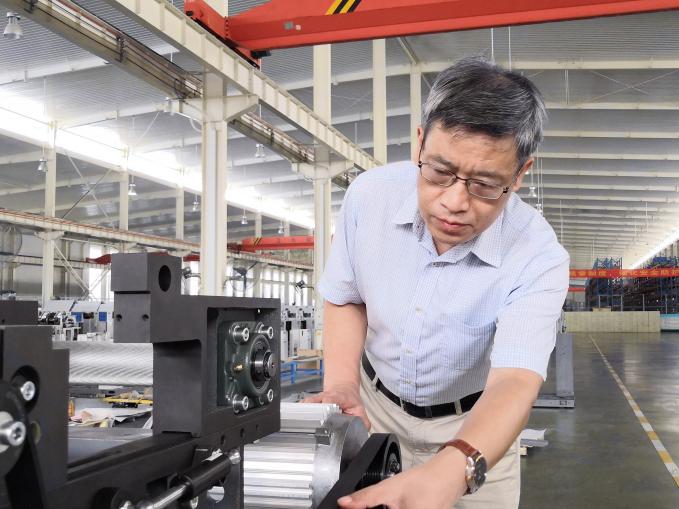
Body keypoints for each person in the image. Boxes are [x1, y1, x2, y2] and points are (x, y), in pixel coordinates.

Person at [306, 57, 570, 508]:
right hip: (373, 410)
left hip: (475, 428)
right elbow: (347, 297)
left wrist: (457, 465)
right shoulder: (369, 197)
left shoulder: (538, 254)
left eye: (484, 184)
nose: (454, 202)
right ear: (420, 141)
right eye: (439, 171)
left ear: (521, 173)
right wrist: (343, 385)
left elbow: (514, 379)